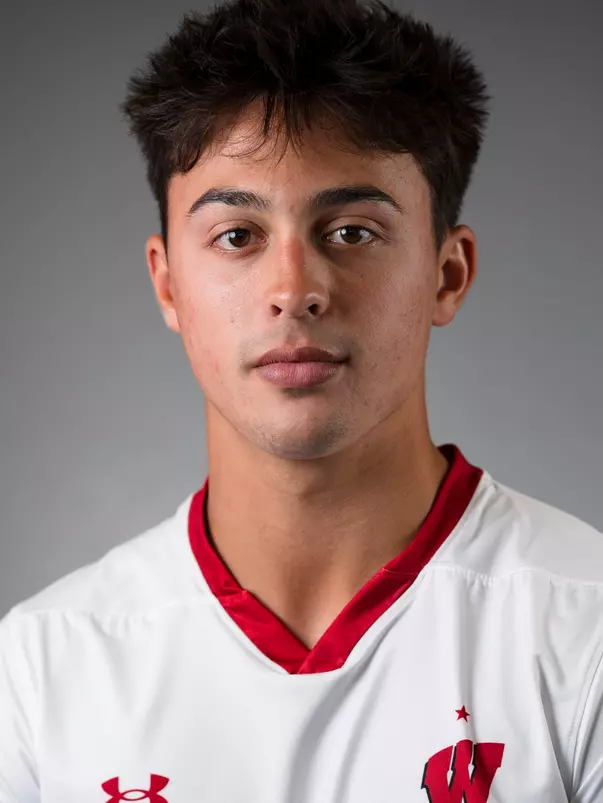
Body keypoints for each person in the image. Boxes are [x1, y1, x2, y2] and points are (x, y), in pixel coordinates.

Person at [1, 0, 601, 800]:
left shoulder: (583, 628)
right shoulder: (42, 668)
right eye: (237, 236)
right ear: (167, 282)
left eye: (351, 231)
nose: (293, 288)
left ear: (446, 273)